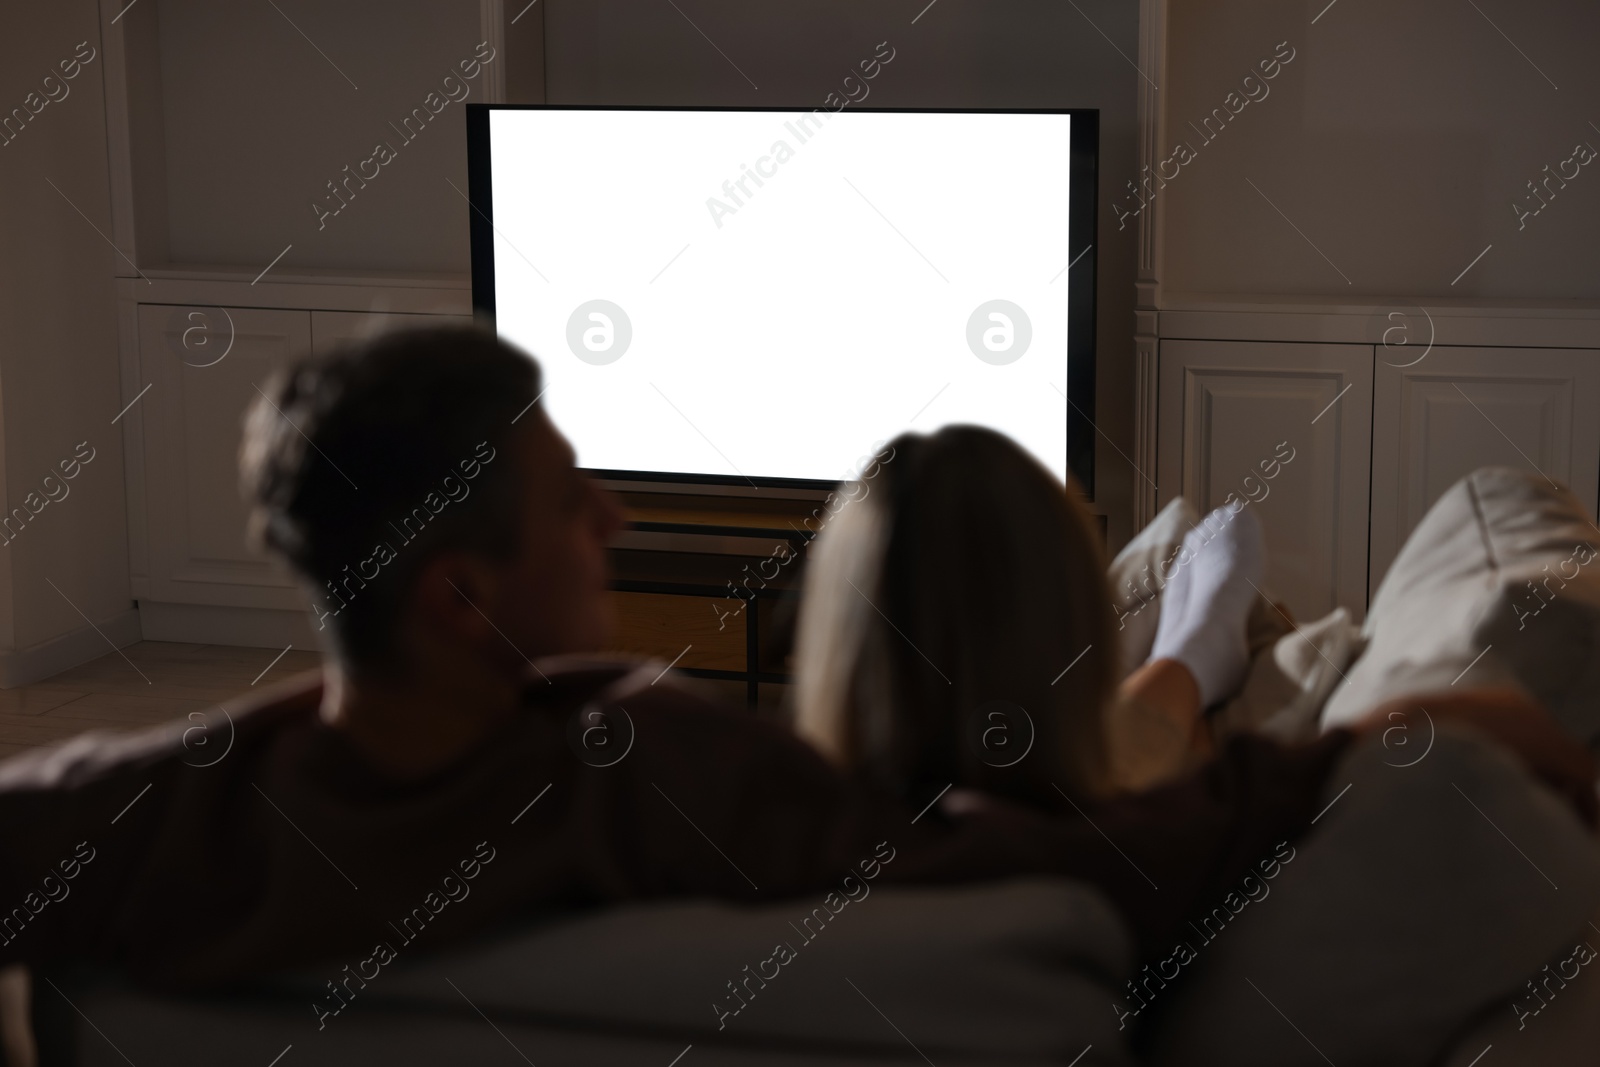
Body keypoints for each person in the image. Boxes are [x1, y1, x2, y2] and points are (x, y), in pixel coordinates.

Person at [0, 328, 1585, 993]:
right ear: (461, 600)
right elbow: (1076, 848)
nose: (614, 515)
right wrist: (1392, 728)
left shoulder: (158, 816)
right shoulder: (658, 779)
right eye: (572, 503)